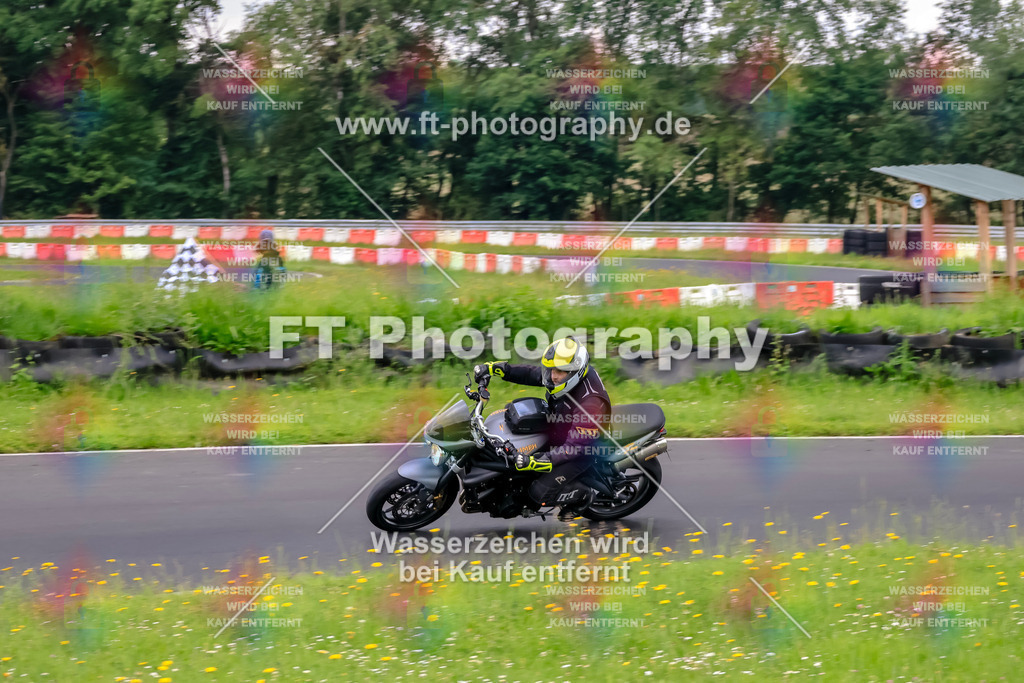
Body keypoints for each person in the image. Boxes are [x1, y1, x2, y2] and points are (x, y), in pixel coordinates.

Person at [475, 336, 611, 521]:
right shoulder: (563, 377)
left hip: (584, 448)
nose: (553, 376)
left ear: (574, 372)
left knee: (538, 492)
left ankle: (583, 497)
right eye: (551, 369)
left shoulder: (590, 404)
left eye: (559, 371)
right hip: (561, 424)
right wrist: (497, 369)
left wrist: (537, 461)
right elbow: (532, 374)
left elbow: (575, 448)